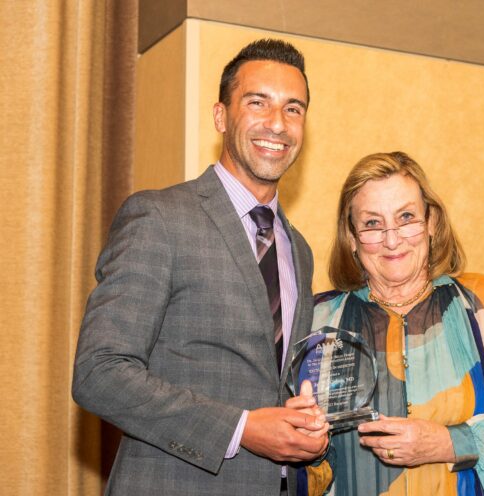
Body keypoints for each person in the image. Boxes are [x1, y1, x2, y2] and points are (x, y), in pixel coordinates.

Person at [72, 39, 329, 496]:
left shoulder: (300, 250)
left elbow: (271, 386)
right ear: (221, 116)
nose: (277, 123)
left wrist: (301, 426)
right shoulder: (159, 217)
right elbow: (100, 373)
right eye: (258, 102)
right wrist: (241, 428)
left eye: (294, 109)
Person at [293, 151, 484, 495]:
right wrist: (304, 448)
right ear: (351, 237)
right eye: (372, 223)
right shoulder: (319, 322)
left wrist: (448, 442)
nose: (392, 239)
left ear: (431, 221)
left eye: (406, 217)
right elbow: (295, 473)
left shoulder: (479, 303)